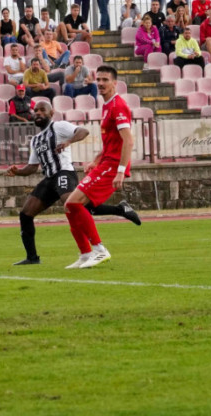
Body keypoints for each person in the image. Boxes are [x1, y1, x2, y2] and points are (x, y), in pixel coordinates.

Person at [6, 101, 139, 266]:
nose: (38, 113)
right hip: (49, 178)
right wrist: (18, 171)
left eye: (42, 110)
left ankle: (99, 242)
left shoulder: (59, 126)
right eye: (36, 111)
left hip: (64, 173)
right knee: (25, 214)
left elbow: (83, 131)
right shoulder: (36, 139)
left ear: (51, 112)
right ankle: (32, 258)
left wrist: (68, 142)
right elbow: (32, 167)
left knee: (76, 206)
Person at [62, 65, 135, 269]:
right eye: (99, 80)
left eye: (105, 80)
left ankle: (99, 249)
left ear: (115, 83)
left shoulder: (118, 106)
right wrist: (96, 159)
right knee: (69, 206)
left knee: (74, 203)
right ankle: (85, 253)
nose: (101, 84)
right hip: (105, 162)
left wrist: (120, 171)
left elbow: (128, 141)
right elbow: (112, 142)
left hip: (113, 165)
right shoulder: (107, 106)